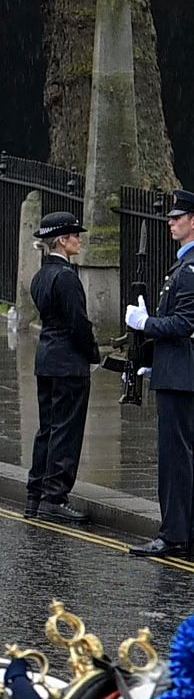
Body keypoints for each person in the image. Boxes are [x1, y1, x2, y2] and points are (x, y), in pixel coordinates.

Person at [127, 190, 194, 557]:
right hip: (177, 371)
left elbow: (183, 323)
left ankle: (174, 535)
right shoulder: (183, 266)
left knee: (175, 459)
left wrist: (145, 323)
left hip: (182, 378)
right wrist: (156, 358)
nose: (170, 222)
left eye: (177, 217)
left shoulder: (190, 269)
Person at [25, 212, 98, 523]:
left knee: (48, 428)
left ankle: (36, 494)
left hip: (46, 359)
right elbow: (77, 322)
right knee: (66, 431)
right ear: (62, 240)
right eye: (75, 236)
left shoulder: (41, 275)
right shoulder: (66, 277)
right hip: (68, 363)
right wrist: (92, 353)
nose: (79, 240)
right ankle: (54, 497)